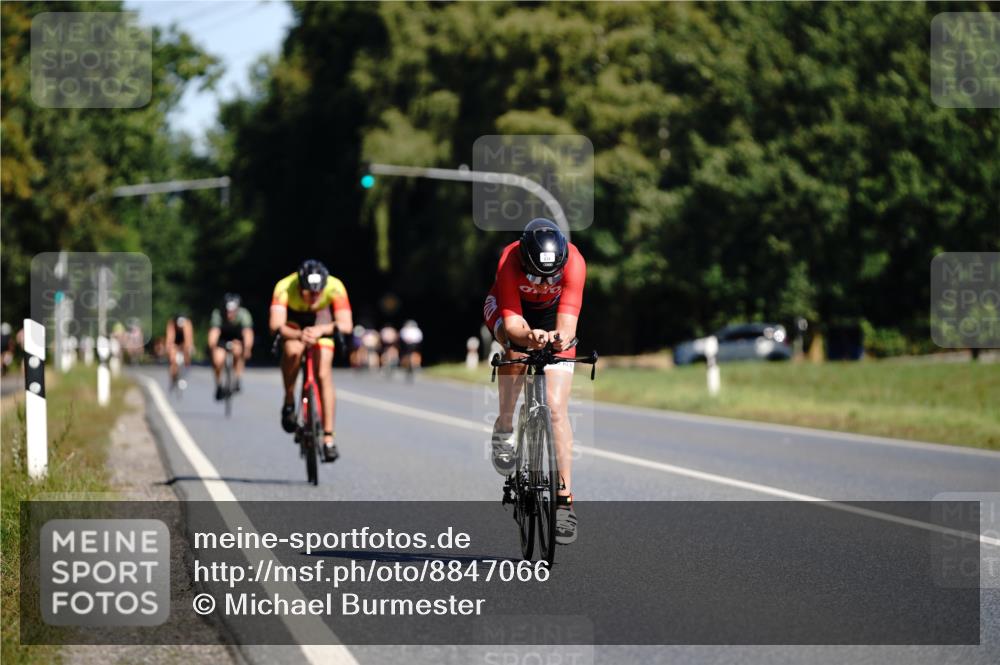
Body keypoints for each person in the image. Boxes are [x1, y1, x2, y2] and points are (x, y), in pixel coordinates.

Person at [482, 218, 586, 545]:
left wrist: (557, 338)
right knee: (513, 349)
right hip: (509, 312)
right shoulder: (509, 258)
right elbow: (513, 324)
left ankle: (564, 500)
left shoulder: (575, 263)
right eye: (535, 273)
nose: (541, 280)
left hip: (551, 316)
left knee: (556, 409)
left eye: (549, 275)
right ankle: (504, 426)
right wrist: (528, 337)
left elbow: (567, 327)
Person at [269, 260, 353, 463]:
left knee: (323, 373)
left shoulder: (335, 286)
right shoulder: (284, 287)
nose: (314, 296)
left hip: (321, 323)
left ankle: (328, 438)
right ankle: (289, 399)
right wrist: (298, 335)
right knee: (292, 351)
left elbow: (346, 325)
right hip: (294, 324)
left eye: (318, 292)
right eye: (309, 292)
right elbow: (275, 325)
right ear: (300, 286)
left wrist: (321, 330)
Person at [208, 293, 255, 399]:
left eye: (233, 311)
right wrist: (212, 348)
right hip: (222, 339)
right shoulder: (218, 314)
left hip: (237, 338)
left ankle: (237, 379)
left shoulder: (244, 315)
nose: (230, 314)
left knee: (238, 351)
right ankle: (219, 384)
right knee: (218, 360)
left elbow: (248, 333)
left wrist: (247, 348)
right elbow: (213, 334)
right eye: (228, 311)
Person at [165, 314, 194, 388]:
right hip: (175, 342)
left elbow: (188, 338)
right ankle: (173, 377)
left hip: (183, 342)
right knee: (173, 359)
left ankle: (184, 373)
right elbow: (170, 338)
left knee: (187, 355)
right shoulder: (172, 324)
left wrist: (189, 348)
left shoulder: (187, 324)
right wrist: (169, 348)